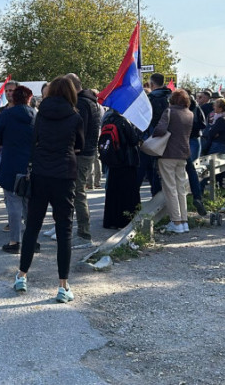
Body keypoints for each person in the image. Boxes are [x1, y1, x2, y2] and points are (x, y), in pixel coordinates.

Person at [12, 76, 83, 302]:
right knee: (64, 230)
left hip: (41, 172)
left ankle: (22, 275)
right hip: (64, 174)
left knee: (32, 225)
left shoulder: (41, 113)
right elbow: (80, 145)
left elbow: (36, 140)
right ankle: (63, 285)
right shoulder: (75, 116)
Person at [0, 85, 36, 253]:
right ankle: (32, 240)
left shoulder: (6, 115)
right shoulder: (36, 115)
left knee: (13, 203)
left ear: (14, 98)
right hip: (31, 164)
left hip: (10, 163)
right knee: (29, 204)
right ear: (29, 98)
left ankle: (14, 242)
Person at [151, 89, 194, 234]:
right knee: (181, 188)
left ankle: (175, 222)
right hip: (183, 153)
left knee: (170, 188)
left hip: (168, 153)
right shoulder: (189, 113)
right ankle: (184, 221)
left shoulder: (169, 111)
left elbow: (160, 130)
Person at [69, 74, 101, 241]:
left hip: (81, 153)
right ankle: (79, 229)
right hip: (88, 151)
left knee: (78, 192)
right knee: (77, 191)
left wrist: (75, 148)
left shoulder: (81, 103)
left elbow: (80, 129)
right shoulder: (92, 101)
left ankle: (84, 233)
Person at [100, 109, 142, 229]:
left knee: (113, 191)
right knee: (128, 192)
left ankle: (111, 220)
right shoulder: (124, 121)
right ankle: (125, 220)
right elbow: (133, 140)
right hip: (126, 161)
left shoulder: (108, 119)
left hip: (113, 159)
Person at [140, 73, 172, 195]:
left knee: (149, 169)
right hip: (169, 139)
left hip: (152, 138)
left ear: (152, 84)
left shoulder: (151, 99)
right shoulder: (171, 97)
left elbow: (146, 120)